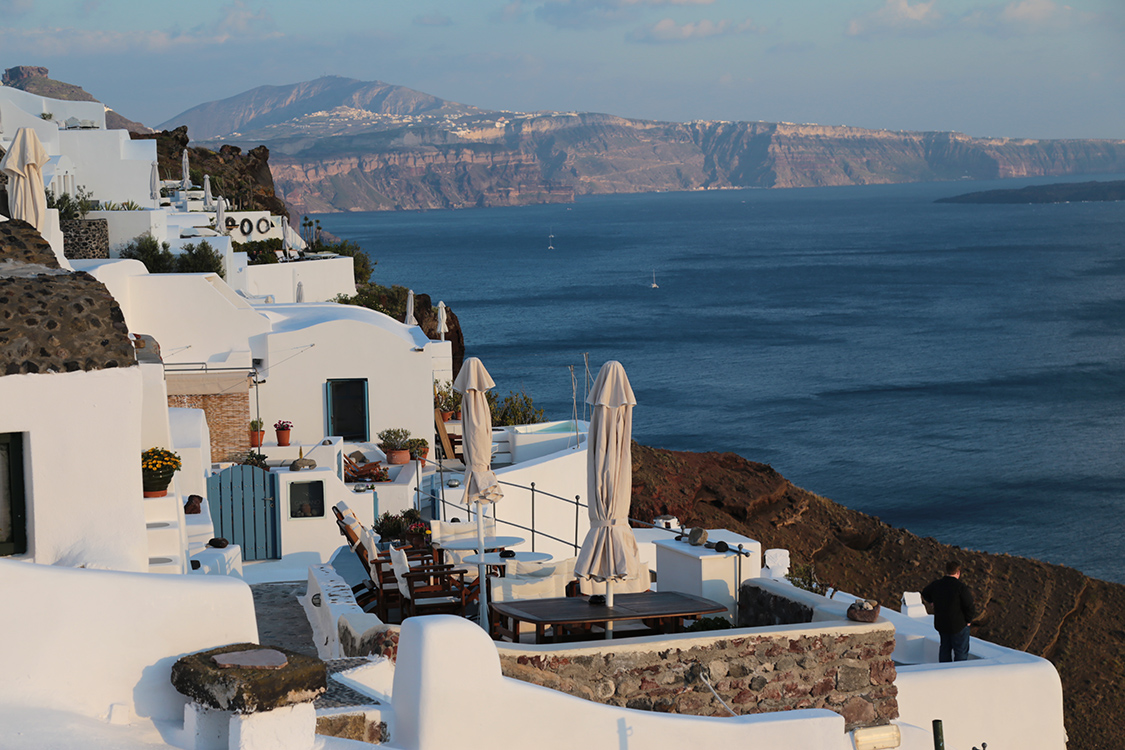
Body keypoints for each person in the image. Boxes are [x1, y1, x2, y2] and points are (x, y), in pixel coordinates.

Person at [922, 559, 976, 662]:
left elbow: (925, 592)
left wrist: (932, 601)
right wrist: (968, 621)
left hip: (942, 624)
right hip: (959, 625)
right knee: (960, 652)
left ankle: (943, 672)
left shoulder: (937, 584)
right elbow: (969, 606)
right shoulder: (960, 587)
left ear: (946, 571)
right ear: (958, 572)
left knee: (944, 650)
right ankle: (959, 674)